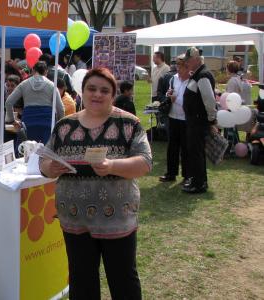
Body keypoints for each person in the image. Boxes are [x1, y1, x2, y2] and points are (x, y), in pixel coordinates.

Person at [39, 68, 152, 299]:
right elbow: (44, 161)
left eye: (104, 90)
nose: (97, 94)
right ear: (83, 91)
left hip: (117, 219)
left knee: (123, 280)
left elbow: (145, 162)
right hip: (74, 218)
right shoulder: (64, 126)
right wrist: (50, 168)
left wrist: (112, 167)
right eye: (91, 89)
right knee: (81, 280)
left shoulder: (128, 123)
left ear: (113, 94)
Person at [182, 47, 218, 193]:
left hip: (198, 122)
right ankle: (197, 180)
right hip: (194, 121)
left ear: (196, 60)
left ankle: (199, 183)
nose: (186, 64)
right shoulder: (198, 74)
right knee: (195, 152)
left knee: (196, 152)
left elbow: (209, 100)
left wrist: (211, 120)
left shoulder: (202, 76)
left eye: (188, 61)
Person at [5, 61, 64, 143]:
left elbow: (8, 102)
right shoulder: (52, 86)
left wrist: (12, 120)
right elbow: (61, 109)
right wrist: (59, 124)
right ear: (46, 72)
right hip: (47, 124)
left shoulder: (24, 84)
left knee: (25, 151)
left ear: (33, 70)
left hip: (28, 123)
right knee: (45, 153)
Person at [159, 55, 190, 185]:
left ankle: (187, 176)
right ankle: (171, 173)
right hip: (172, 117)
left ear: (187, 67)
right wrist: (169, 94)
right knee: (172, 148)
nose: (177, 68)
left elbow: (190, 102)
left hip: (186, 119)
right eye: (176, 65)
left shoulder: (192, 81)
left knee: (186, 149)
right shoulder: (174, 78)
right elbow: (168, 93)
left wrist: (175, 99)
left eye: (180, 66)